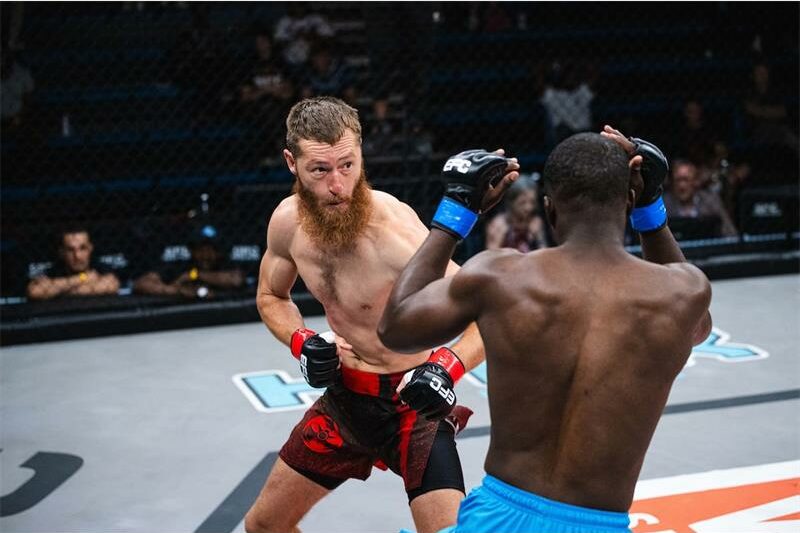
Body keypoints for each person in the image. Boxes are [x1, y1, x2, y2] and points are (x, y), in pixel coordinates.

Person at [378, 126, 712, 532]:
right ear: (628, 200)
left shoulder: (500, 276)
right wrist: (650, 208)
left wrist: (457, 210)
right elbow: (696, 325)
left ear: (550, 210)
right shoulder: (683, 294)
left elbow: (396, 326)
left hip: (498, 519)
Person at [244, 97, 504, 533]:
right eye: (320, 170)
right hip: (345, 399)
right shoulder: (287, 223)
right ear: (292, 163)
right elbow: (271, 295)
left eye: (347, 165)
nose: (337, 185)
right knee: (264, 527)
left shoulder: (393, 232)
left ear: (362, 155)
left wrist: (446, 367)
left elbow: (486, 312)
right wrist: (301, 341)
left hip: (412, 406)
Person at [133, 223, 244, 299]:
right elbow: (141, 284)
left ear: (219, 252)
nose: (206, 255)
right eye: (200, 250)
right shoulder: (181, 266)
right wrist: (177, 291)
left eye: (211, 250)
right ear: (192, 251)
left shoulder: (224, 265)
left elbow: (236, 280)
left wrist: (193, 275)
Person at [27, 226, 121, 301]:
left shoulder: (98, 266)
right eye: (70, 250)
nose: (77, 256)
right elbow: (35, 292)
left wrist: (58, 290)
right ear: (62, 252)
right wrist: (83, 278)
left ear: (90, 248)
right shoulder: (55, 270)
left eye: (82, 248)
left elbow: (111, 286)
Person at [663, 159, 738, 238]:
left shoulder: (711, 201)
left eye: (686, 180)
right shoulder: (664, 205)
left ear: (695, 182)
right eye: (678, 180)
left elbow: (731, 234)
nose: (682, 186)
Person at [484, 174, 548, 252]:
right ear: (511, 202)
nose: (528, 208)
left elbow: (543, 251)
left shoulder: (535, 222)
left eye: (532, 202)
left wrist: (537, 238)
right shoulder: (499, 225)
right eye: (522, 203)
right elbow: (491, 255)